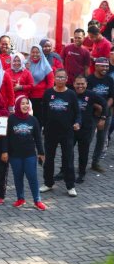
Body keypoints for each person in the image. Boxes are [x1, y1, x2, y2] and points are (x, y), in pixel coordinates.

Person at [40, 68, 81, 197]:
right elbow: (43, 112)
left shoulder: (71, 94)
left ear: (67, 79)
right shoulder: (48, 93)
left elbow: (78, 113)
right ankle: (48, 183)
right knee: (49, 159)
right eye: (58, 77)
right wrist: (42, 127)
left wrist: (77, 122)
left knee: (68, 158)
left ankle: (70, 185)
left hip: (67, 132)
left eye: (63, 77)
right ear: (54, 78)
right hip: (50, 132)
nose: (60, 80)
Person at [4, 96, 47, 211]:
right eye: (22, 103)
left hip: (30, 154)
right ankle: (20, 198)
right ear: (18, 105)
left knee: (32, 177)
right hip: (15, 155)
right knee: (18, 177)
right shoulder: (11, 119)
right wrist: (5, 152)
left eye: (27, 104)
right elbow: (6, 137)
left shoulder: (33, 120)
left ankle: (37, 200)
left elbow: (38, 138)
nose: (25, 106)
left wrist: (41, 152)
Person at [73, 75, 106, 184]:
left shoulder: (91, 95)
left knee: (83, 153)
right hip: (71, 128)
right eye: (78, 84)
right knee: (67, 151)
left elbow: (104, 103)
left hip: (86, 129)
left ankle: (81, 174)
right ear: (74, 84)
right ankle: (64, 171)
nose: (80, 86)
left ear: (86, 84)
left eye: (82, 84)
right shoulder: (70, 94)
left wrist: (103, 117)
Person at [87, 57, 114, 173]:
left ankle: (95, 163)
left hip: (105, 114)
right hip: (91, 114)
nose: (105, 68)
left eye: (107, 66)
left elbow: (112, 97)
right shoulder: (89, 80)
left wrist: (104, 109)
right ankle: (82, 162)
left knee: (101, 139)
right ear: (96, 66)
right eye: (102, 66)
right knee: (88, 138)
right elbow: (86, 96)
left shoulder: (109, 80)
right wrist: (97, 107)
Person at [28, 44, 54, 129]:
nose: (35, 54)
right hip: (28, 96)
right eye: (33, 52)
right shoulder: (26, 63)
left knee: (39, 119)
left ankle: (38, 138)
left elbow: (50, 82)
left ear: (41, 53)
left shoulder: (45, 65)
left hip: (41, 98)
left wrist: (47, 96)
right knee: (29, 118)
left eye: (37, 52)